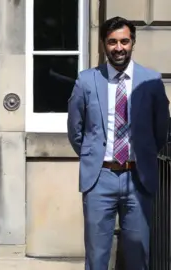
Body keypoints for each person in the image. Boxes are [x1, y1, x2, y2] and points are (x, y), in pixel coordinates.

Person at [67, 16, 169, 269]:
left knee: (138, 253)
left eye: (124, 41)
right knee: (97, 256)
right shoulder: (87, 80)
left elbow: (161, 129)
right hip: (100, 177)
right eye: (112, 42)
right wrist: (92, 157)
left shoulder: (152, 81)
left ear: (133, 42)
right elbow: (75, 129)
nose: (118, 47)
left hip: (138, 178)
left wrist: (144, 155)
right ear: (103, 44)